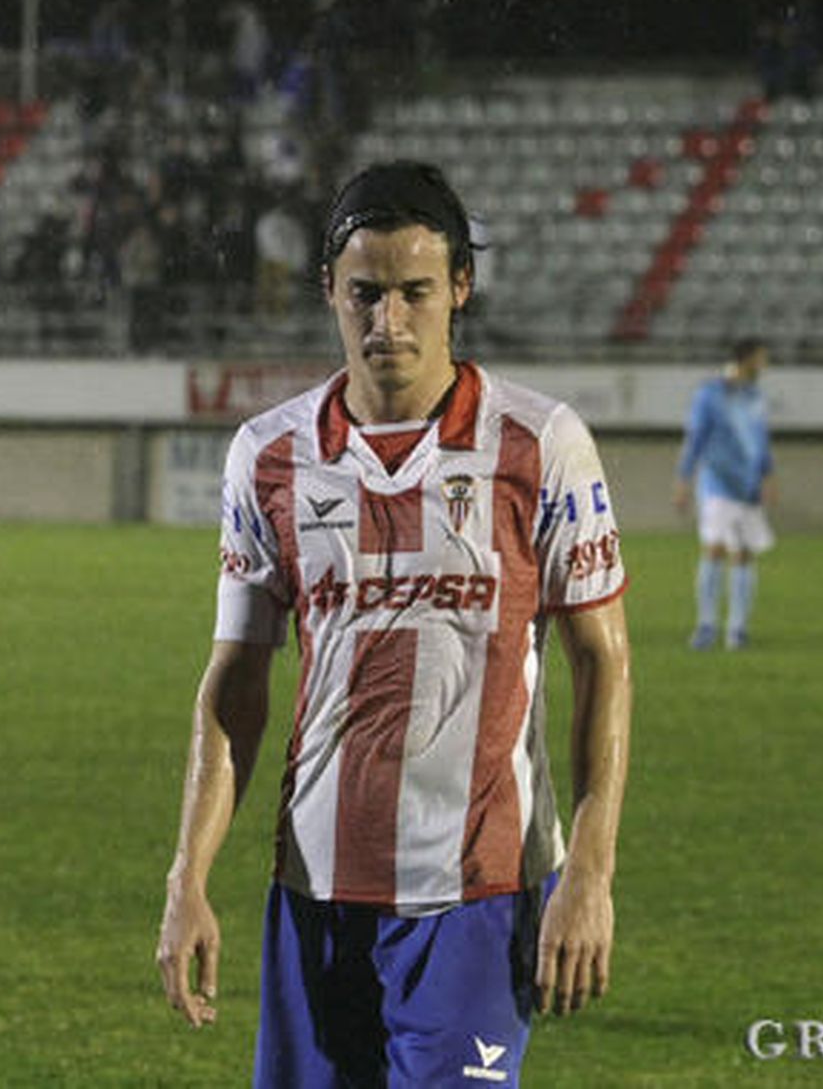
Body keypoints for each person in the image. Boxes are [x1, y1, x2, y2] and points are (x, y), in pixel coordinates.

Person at [156, 161, 633, 1088]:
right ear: (329, 289)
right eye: (365, 294)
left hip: (478, 898)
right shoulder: (268, 455)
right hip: (314, 893)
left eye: (416, 292)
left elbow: (604, 662)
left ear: (460, 288)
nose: (389, 322)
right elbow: (235, 686)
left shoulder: (541, 445)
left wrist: (591, 870)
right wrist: (188, 875)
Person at [673, 338, 776, 650]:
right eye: (761, 359)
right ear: (746, 360)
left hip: (748, 487)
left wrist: (768, 474)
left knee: (744, 553)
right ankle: (706, 625)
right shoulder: (711, 394)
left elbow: (761, 439)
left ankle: (737, 629)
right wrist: (683, 479)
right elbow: (696, 438)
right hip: (717, 483)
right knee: (715, 549)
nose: (765, 366)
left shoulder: (755, 396)